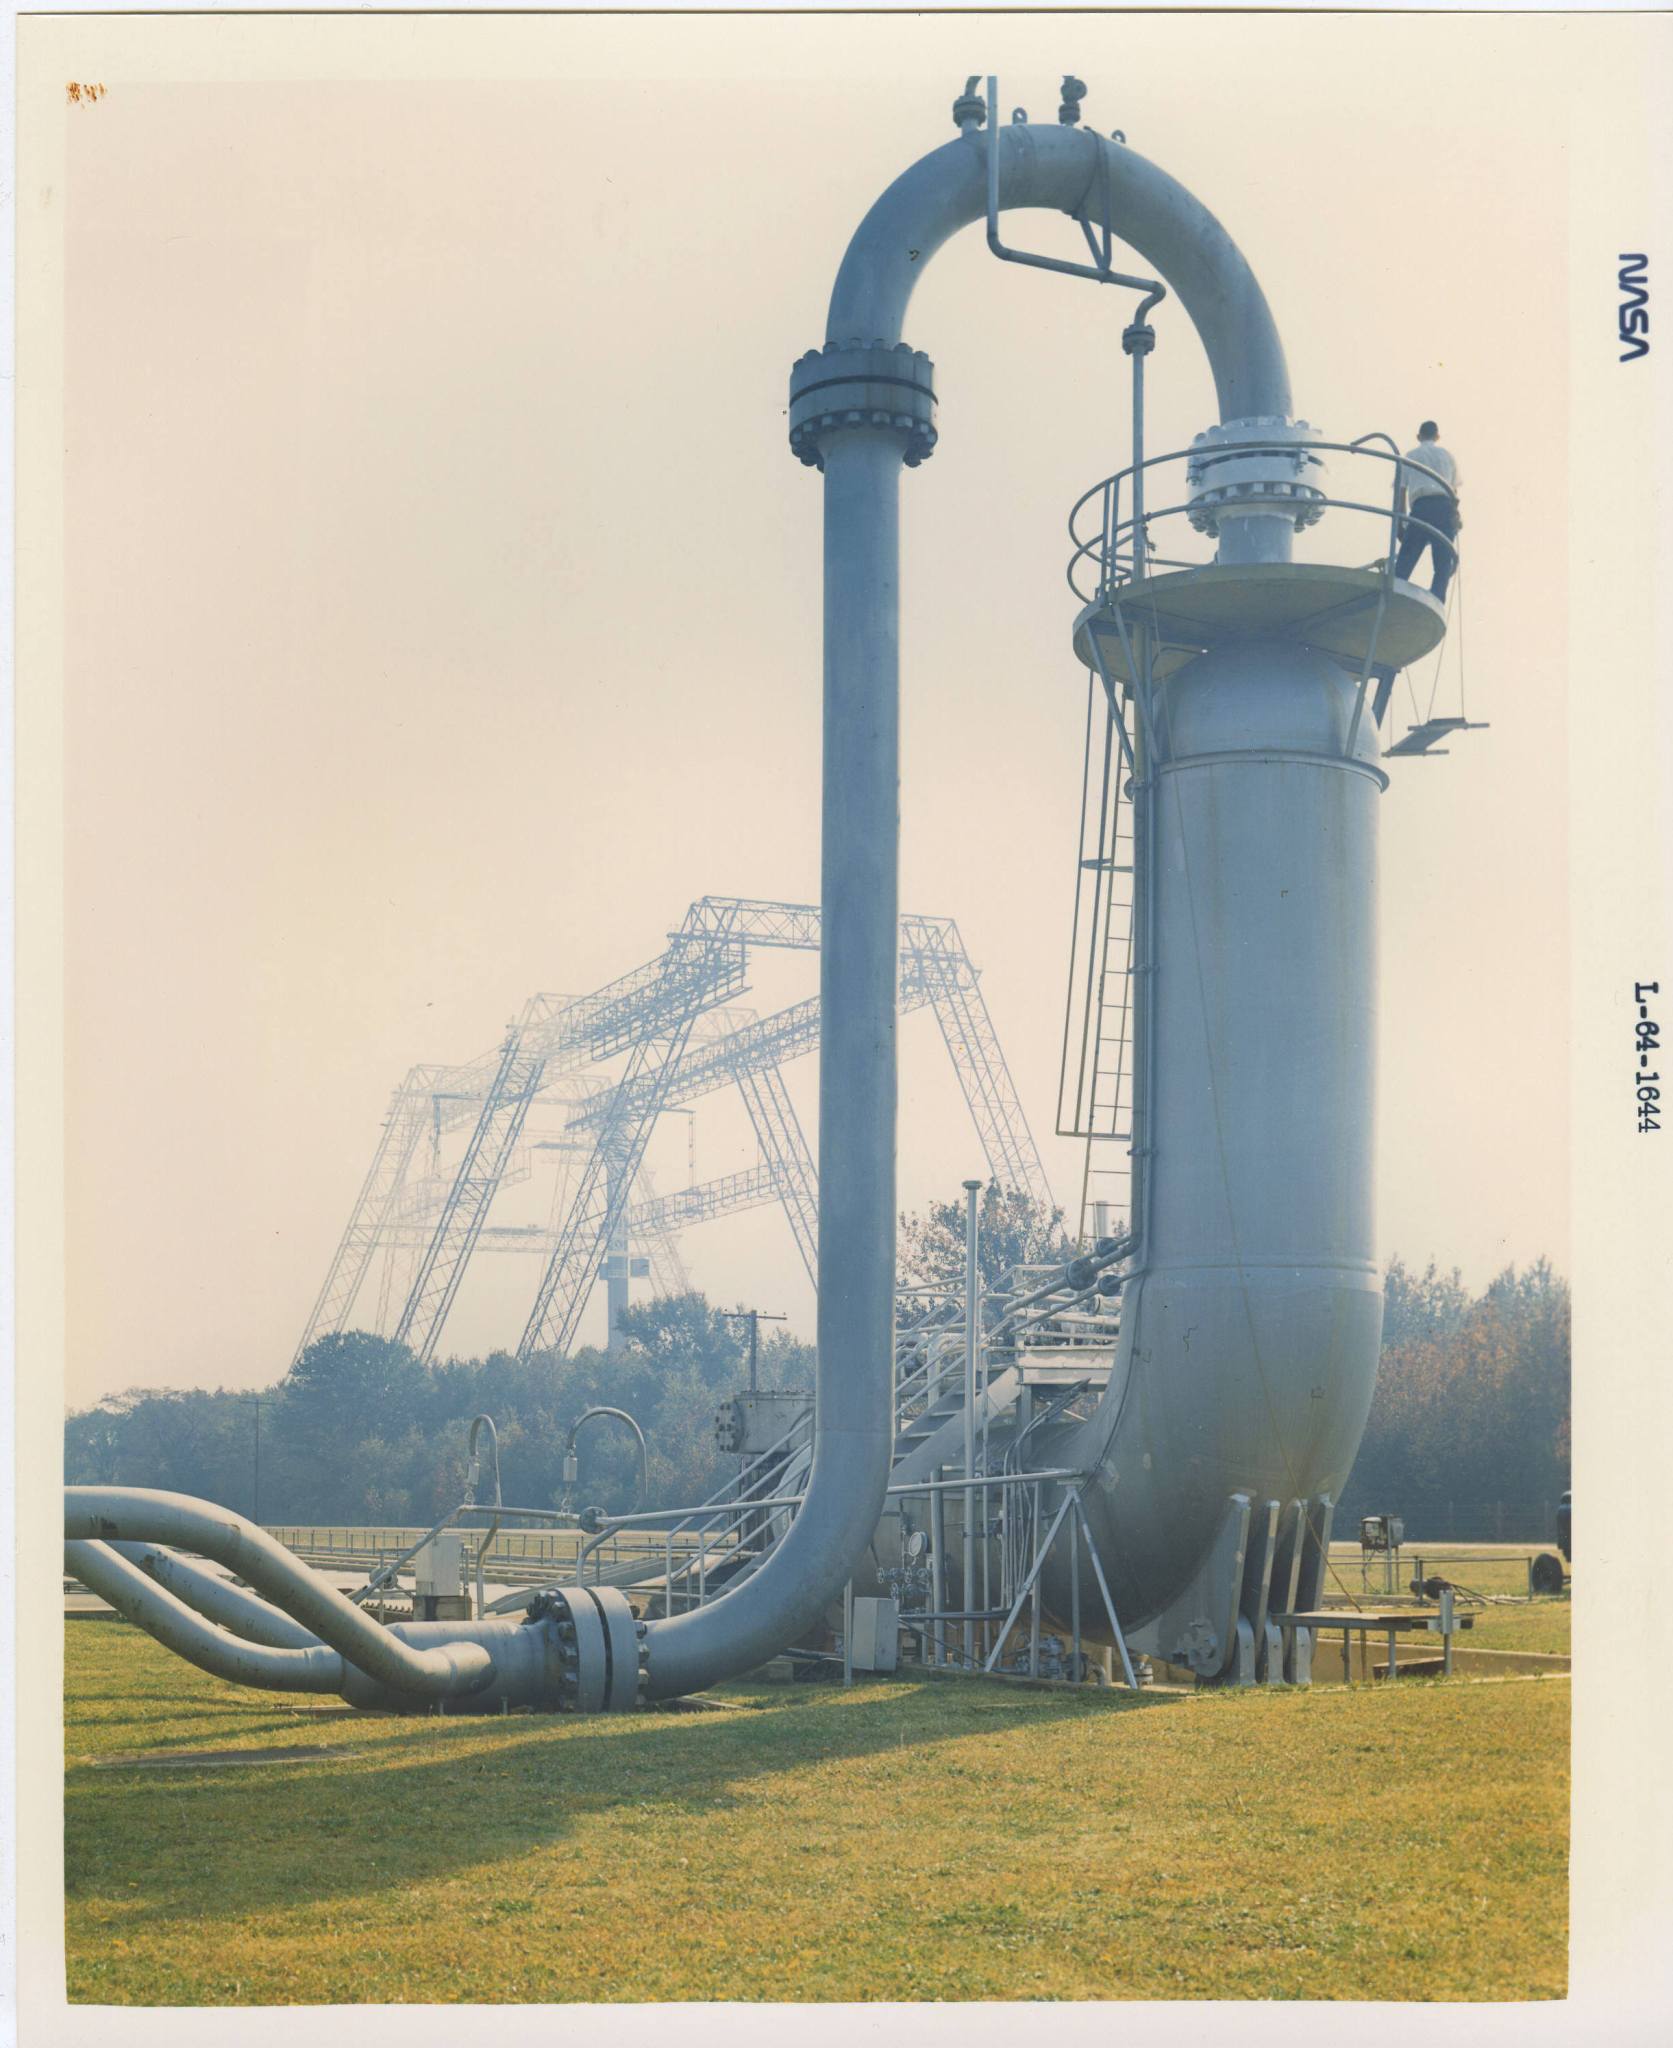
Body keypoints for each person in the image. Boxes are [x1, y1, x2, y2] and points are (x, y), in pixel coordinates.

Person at [1392, 420, 1461, 601]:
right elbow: (1454, 493)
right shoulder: (1447, 456)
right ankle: (1437, 599)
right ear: (1437, 436)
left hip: (1421, 507)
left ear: (1418, 436)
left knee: (1407, 557)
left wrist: (1400, 523)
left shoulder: (1409, 457)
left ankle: (1394, 592)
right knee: (1442, 563)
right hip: (1444, 508)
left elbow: (1401, 492)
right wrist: (1455, 516)